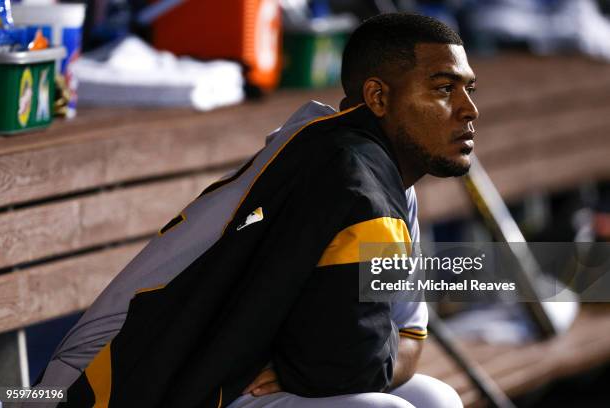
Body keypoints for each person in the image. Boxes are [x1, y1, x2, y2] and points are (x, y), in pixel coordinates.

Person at [33, 13, 477, 408]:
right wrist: (314, 369)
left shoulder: (389, 181)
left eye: (468, 89)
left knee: (435, 397)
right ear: (378, 97)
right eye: (443, 89)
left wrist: (304, 369)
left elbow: (406, 341)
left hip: (236, 374)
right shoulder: (342, 175)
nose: (469, 110)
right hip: (126, 380)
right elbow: (354, 366)